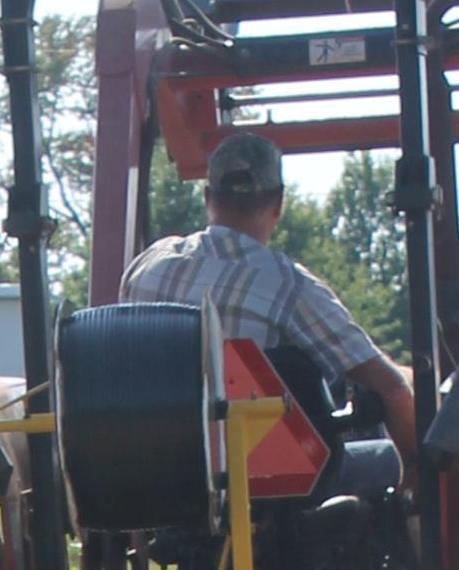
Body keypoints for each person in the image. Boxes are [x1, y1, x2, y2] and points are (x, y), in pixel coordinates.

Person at [122, 130, 419, 468]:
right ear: (278, 203)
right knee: (381, 461)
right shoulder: (288, 285)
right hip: (247, 483)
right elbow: (392, 390)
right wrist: (415, 474)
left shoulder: (148, 264)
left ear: (207, 197)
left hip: (149, 472)